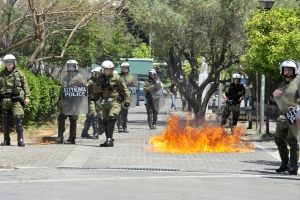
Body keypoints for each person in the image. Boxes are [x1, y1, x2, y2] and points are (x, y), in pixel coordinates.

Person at [92, 60, 130, 147]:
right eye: (107, 70)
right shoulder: (100, 79)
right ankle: (108, 139)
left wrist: (127, 101)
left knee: (112, 118)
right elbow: (95, 90)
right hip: (104, 101)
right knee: (105, 121)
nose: (109, 71)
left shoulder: (117, 77)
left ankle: (109, 139)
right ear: (103, 70)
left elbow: (125, 89)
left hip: (115, 101)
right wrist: (101, 86)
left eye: (110, 69)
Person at [273, 59, 299, 175]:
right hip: (283, 117)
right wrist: (274, 95)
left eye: (289, 70)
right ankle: (285, 163)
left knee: (292, 141)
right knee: (278, 139)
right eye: (285, 70)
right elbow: (273, 98)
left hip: (295, 116)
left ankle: (293, 167)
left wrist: (296, 107)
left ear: (294, 71)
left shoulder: (298, 83)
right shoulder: (281, 84)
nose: (287, 72)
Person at [0, 54, 31, 147]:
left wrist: (27, 97)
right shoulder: (1, 74)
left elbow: (25, 86)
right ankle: (6, 140)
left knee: (18, 118)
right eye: (7, 62)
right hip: (4, 99)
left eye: (11, 62)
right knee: (5, 120)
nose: (9, 64)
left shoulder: (19, 74)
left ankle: (20, 139)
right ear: (5, 63)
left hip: (15, 100)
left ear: (14, 63)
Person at [55, 59, 86, 144]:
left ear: (76, 67)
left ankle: (72, 138)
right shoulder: (65, 77)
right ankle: (60, 137)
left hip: (74, 102)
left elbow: (83, 90)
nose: (71, 68)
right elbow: (62, 90)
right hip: (65, 102)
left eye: (72, 66)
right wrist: (59, 100)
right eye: (69, 66)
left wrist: (78, 100)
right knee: (61, 117)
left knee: (73, 120)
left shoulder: (79, 77)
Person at [80, 67, 102, 139]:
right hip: (90, 100)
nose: (98, 75)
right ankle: (96, 133)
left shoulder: (101, 81)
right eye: (97, 73)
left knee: (89, 117)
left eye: (100, 73)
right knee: (94, 115)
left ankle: (84, 132)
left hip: (97, 100)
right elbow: (84, 87)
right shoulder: (91, 81)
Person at [117, 62, 136, 133]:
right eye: (123, 68)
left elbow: (133, 87)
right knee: (120, 112)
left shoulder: (131, 77)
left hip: (127, 96)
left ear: (128, 68)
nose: (125, 69)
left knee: (125, 112)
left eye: (126, 68)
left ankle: (124, 126)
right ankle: (119, 126)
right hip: (119, 95)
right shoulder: (118, 76)